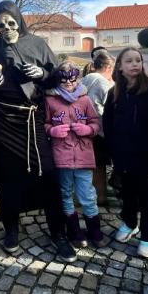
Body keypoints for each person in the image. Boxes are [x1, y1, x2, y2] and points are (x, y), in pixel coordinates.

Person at [0, 0, 76, 262]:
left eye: (11, 23)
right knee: (7, 179)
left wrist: (41, 73)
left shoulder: (37, 44)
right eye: (1, 25)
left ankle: (58, 233)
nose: (6, 28)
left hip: (32, 119)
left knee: (48, 176)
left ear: (19, 21)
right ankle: (11, 230)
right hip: (3, 123)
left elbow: (56, 78)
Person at [103, 47, 148, 258]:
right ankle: (130, 222)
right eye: (129, 61)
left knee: (146, 196)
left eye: (138, 60)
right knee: (127, 192)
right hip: (122, 155)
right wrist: (113, 149)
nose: (134, 64)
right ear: (120, 67)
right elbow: (108, 123)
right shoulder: (114, 93)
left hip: (144, 156)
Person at [45, 62, 103, 247]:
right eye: (64, 80)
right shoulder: (50, 101)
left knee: (88, 195)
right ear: (57, 81)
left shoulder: (85, 100)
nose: (69, 83)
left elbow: (96, 123)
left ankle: (94, 229)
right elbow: (44, 124)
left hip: (83, 156)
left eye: (72, 79)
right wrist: (52, 131)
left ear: (77, 79)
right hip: (61, 157)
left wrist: (88, 129)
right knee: (65, 194)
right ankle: (74, 231)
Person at [81, 51, 114, 204]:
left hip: (85, 127)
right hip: (99, 129)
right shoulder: (103, 82)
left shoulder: (86, 79)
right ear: (108, 67)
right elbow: (110, 106)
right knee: (99, 164)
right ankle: (101, 196)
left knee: (93, 164)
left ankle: (95, 193)